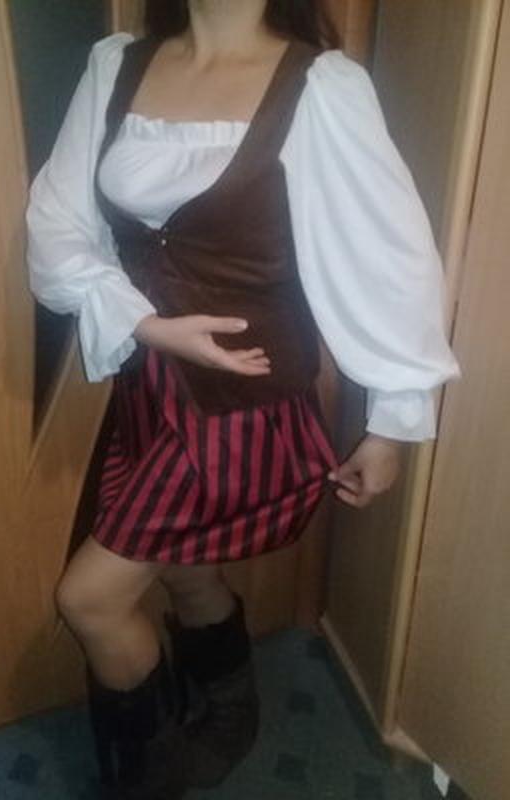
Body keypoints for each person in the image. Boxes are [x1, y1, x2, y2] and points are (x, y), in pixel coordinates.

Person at [25, 1, 461, 797]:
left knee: (88, 600)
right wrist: (145, 325)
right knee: (184, 568)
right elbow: (57, 225)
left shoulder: (319, 87)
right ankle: (231, 713)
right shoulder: (115, 66)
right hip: (149, 386)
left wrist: (395, 419)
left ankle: (148, 781)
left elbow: (388, 255)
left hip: (244, 408)